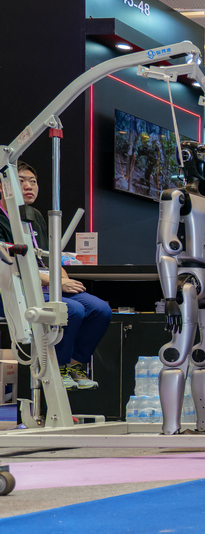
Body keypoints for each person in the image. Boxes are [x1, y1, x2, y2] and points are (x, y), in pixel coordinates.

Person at [0, 162, 111, 390]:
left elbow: (51, 257)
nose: (29, 186)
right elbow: (12, 264)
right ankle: (58, 369)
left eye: (33, 181)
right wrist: (55, 281)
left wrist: (63, 279)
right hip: (14, 290)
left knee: (99, 310)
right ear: (4, 186)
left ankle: (74, 366)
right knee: (72, 310)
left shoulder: (35, 216)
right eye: (21, 180)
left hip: (45, 286)